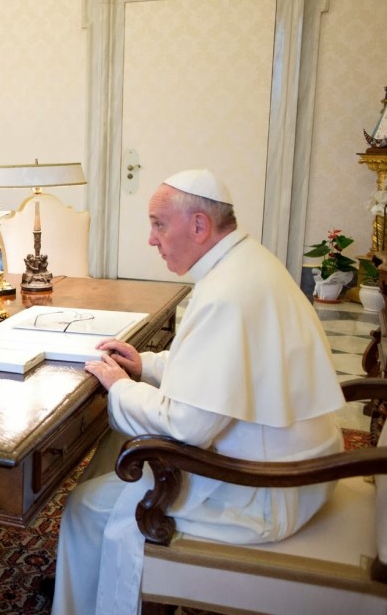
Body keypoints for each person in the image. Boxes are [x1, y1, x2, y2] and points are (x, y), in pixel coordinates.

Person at [50, 169, 346, 614]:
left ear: (199, 225)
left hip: (266, 488)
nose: (151, 239)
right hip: (291, 460)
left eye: (159, 224)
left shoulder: (228, 292)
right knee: (116, 447)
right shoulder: (245, 262)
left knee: (84, 507)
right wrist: (147, 365)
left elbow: (187, 427)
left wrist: (121, 387)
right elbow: (221, 366)